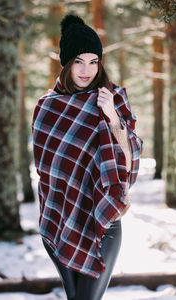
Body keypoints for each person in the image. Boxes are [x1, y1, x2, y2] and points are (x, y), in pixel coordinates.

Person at [32, 14, 143, 300]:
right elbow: (49, 173)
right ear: (66, 63)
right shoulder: (47, 109)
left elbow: (129, 166)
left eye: (93, 62)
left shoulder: (112, 99)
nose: (87, 70)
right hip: (60, 220)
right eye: (79, 61)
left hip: (103, 223)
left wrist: (114, 120)